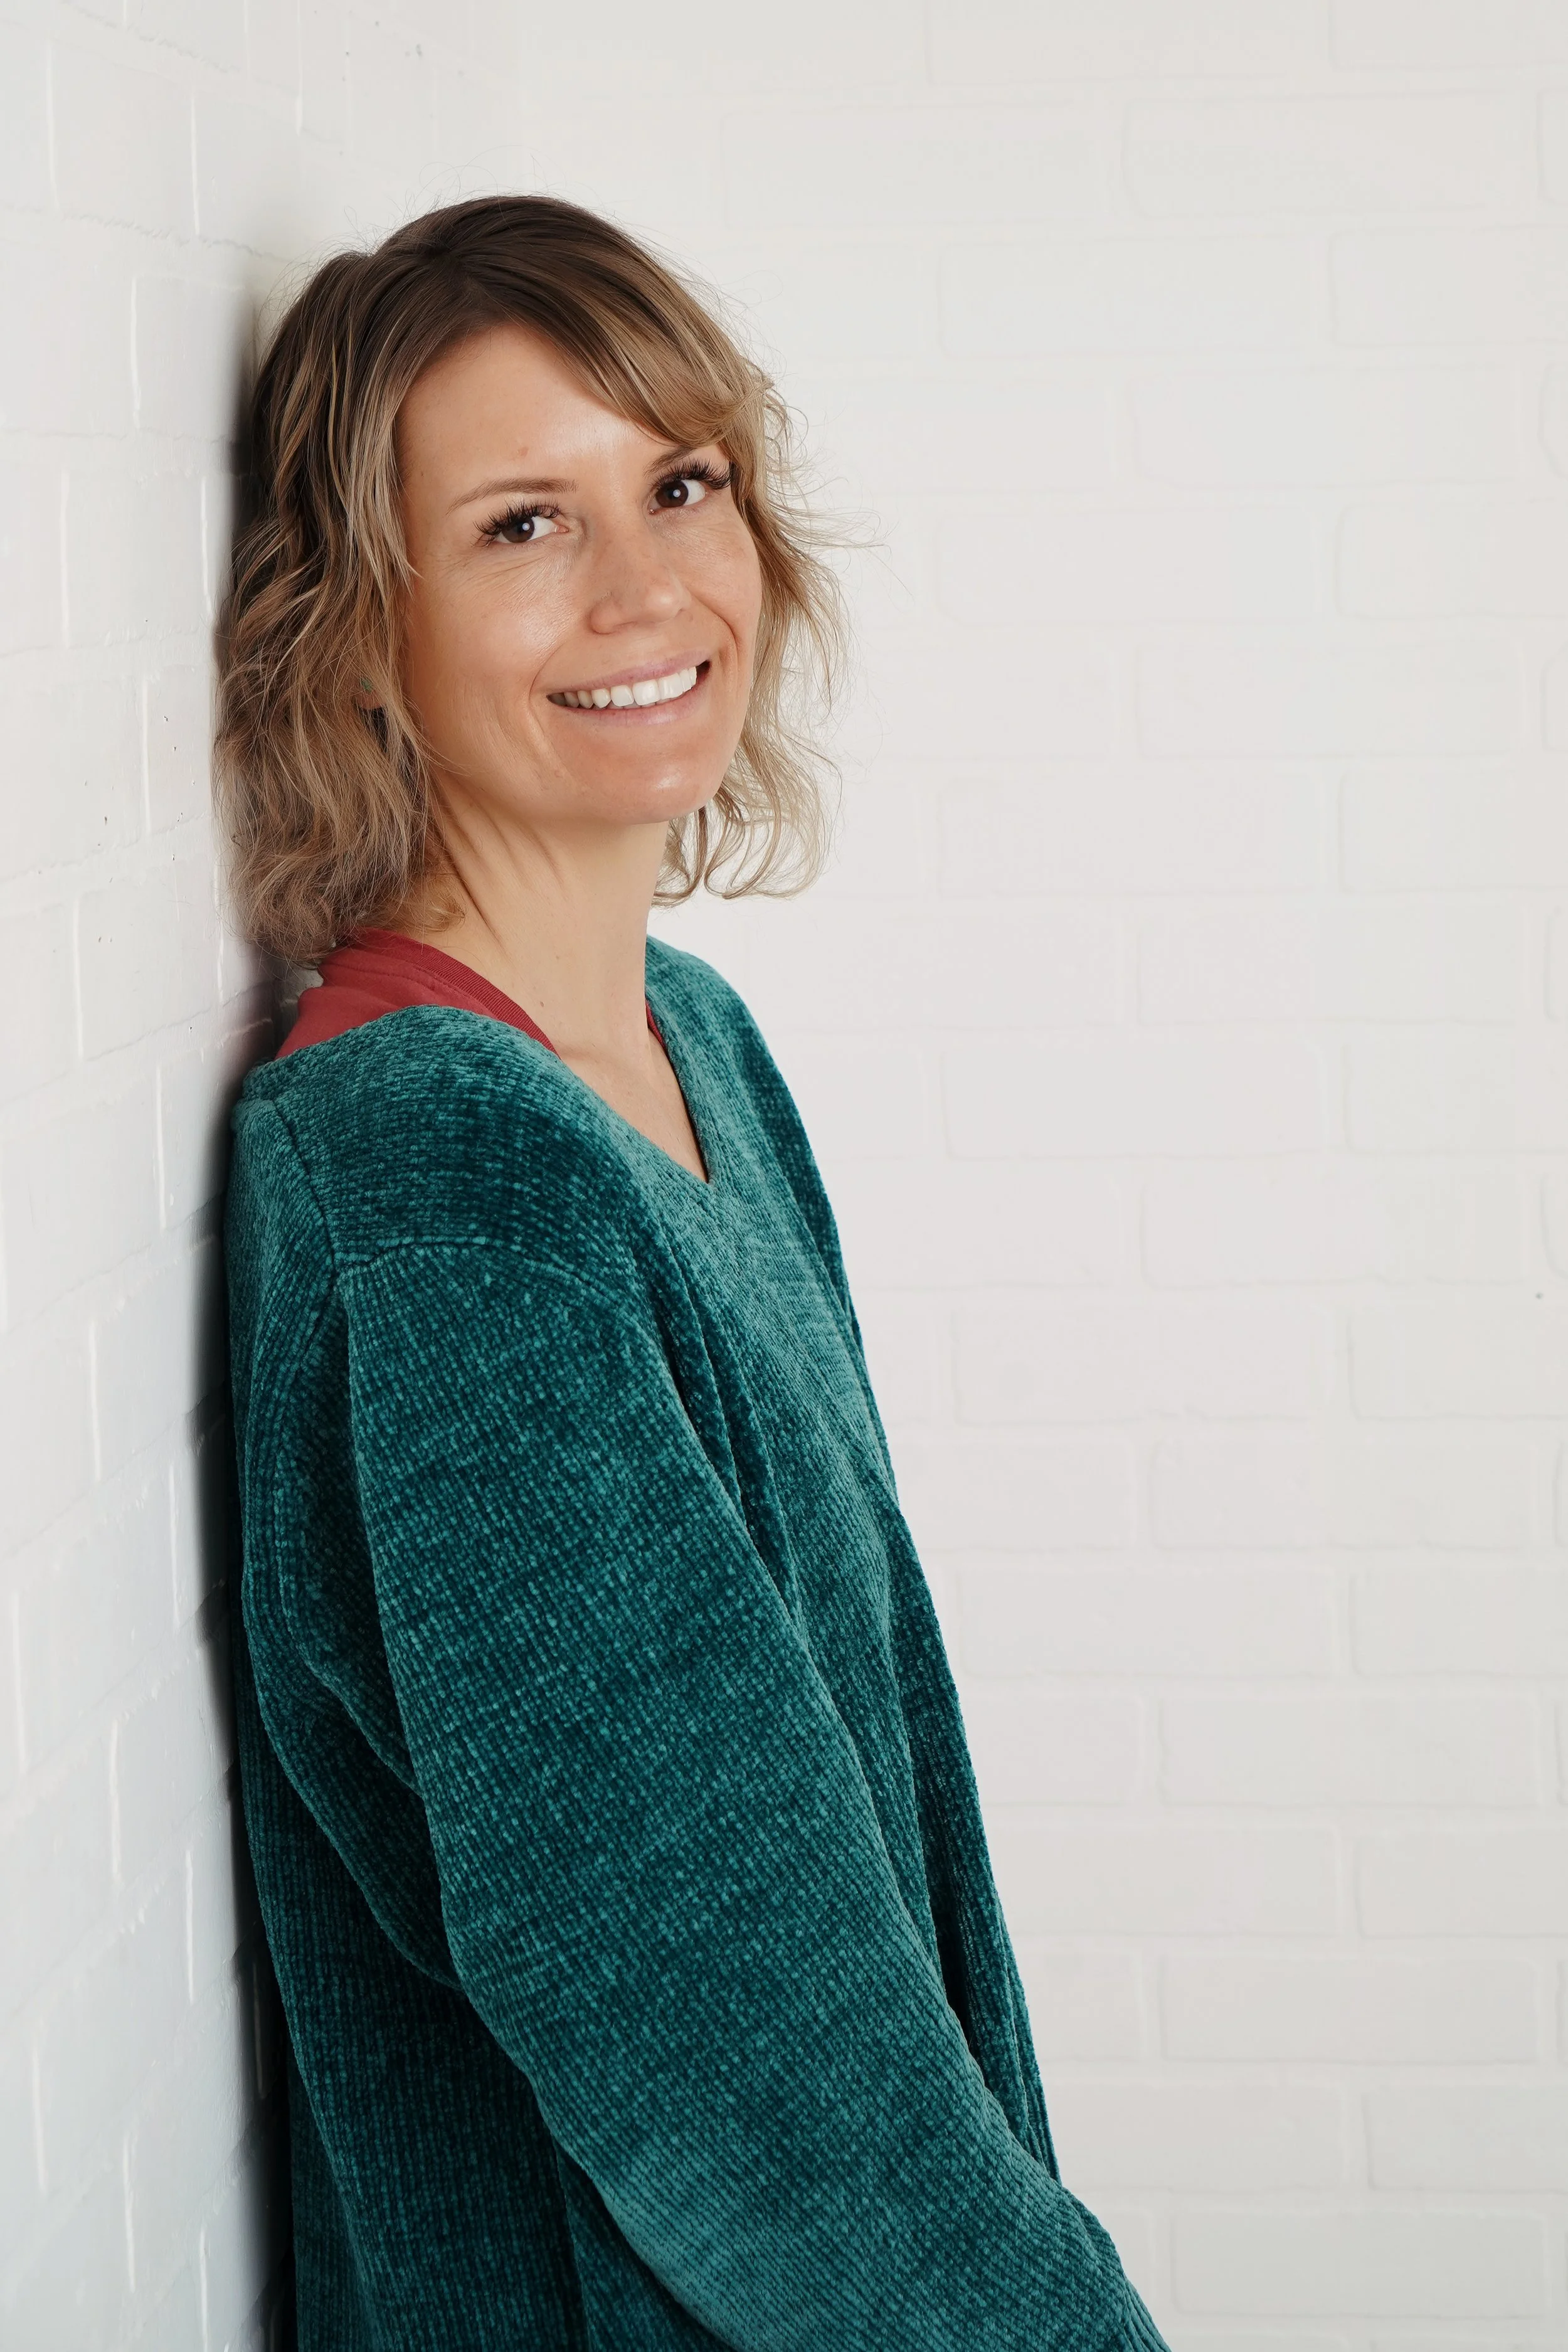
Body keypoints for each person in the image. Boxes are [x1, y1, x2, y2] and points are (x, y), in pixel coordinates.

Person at [216, 194, 1170, 2352]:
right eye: (522, 525)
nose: (649, 587)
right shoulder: (453, 1184)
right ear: (362, 630)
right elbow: (731, 2046)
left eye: (678, 481)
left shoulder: (688, 1045)